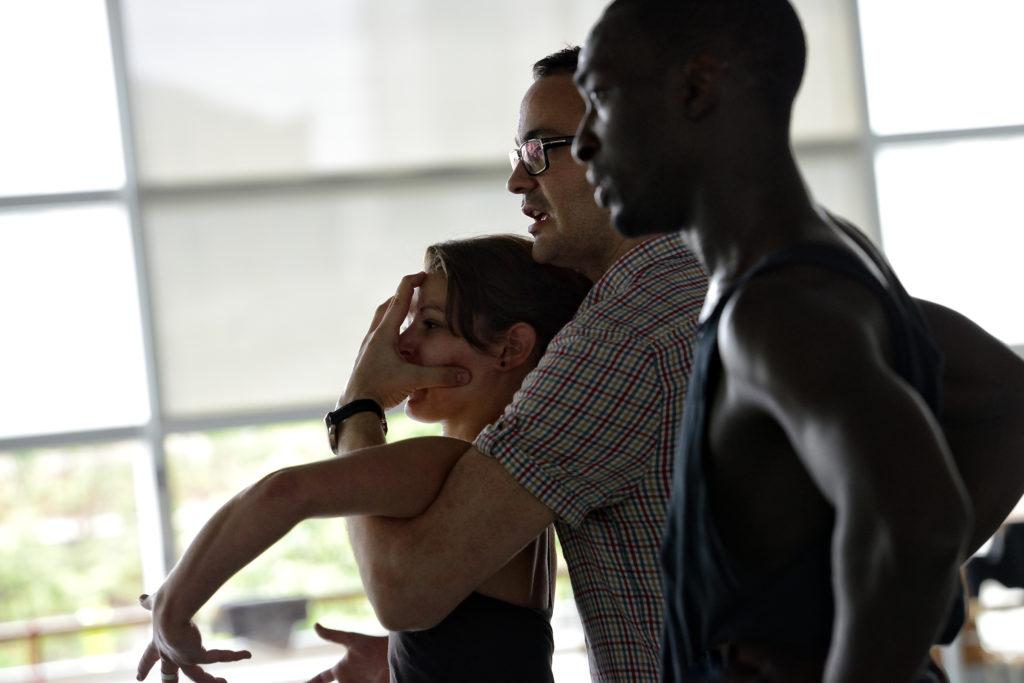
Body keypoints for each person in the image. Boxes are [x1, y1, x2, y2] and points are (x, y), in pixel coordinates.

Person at [571, 1, 1024, 681]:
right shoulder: (809, 273)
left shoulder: (780, 310)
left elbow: (918, 527)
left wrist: (878, 631)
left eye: (601, 96)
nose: (582, 142)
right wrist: (850, 611)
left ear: (696, 87)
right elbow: (1007, 398)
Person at [321, 47, 707, 682]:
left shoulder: (622, 339)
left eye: (539, 151)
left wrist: (357, 412)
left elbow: (404, 589)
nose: (517, 181)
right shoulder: (734, 280)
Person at [135, 234, 593, 683]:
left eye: (429, 325)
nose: (400, 345)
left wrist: (172, 608)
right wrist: (397, 657)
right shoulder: (508, 496)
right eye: (403, 325)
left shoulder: (450, 460)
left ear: (510, 348)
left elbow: (283, 492)